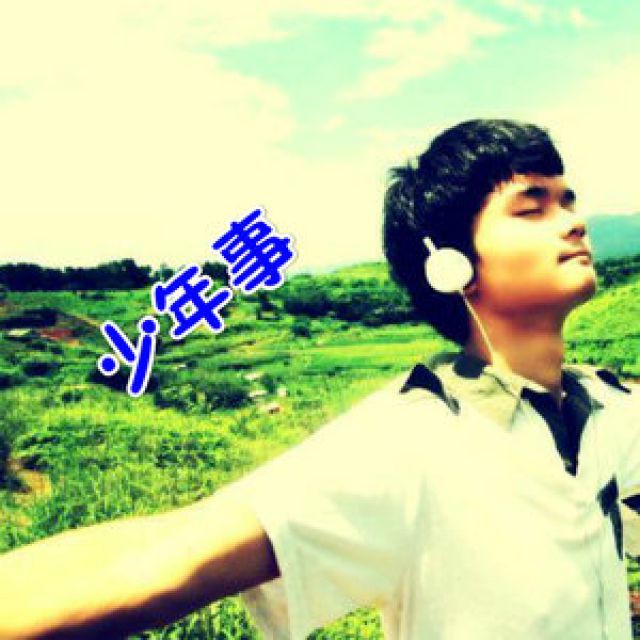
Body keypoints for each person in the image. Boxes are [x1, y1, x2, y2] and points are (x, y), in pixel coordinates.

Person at [0, 119, 638, 639]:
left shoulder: (601, 406)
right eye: (532, 208)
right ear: (449, 263)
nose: (573, 221)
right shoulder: (414, 441)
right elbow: (169, 557)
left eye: (567, 200)